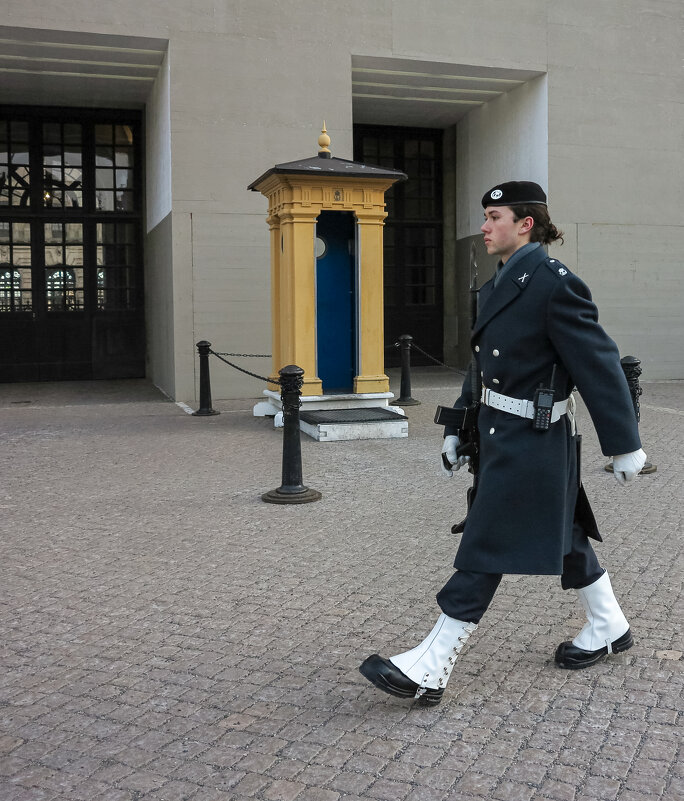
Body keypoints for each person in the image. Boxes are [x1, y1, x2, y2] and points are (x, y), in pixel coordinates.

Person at [359, 181, 647, 706]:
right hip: (499, 434)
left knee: (487, 542)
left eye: (494, 216)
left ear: (526, 223)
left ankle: (432, 663)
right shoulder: (498, 283)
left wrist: (623, 444)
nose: (485, 227)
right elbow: (482, 366)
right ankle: (608, 624)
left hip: (537, 440)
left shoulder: (555, 284)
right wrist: (456, 427)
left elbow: (599, 364)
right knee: (563, 533)